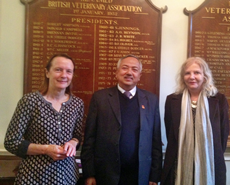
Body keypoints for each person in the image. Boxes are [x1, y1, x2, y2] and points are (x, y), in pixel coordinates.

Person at [81, 54, 162, 185]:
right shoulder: (100, 98)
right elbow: (90, 138)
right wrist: (89, 173)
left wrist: (154, 175)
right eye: (125, 68)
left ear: (139, 76)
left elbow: (156, 140)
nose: (129, 72)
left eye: (134, 69)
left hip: (140, 174)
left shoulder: (151, 100)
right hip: (106, 173)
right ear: (117, 73)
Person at [4, 54, 84, 185]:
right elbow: (11, 142)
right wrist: (46, 149)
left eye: (68, 71)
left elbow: (77, 136)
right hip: (34, 176)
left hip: (67, 176)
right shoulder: (29, 101)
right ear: (47, 72)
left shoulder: (77, 104)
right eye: (58, 69)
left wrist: (73, 143)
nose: (64, 75)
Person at [161, 57, 229, 185]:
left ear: (205, 76)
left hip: (209, 162)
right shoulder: (172, 100)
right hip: (178, 163)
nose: (192, 77)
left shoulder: (218, 100)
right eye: (187, 73)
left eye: (197, 72)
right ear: (183, 77)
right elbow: (171, 130)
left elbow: (223, 134)